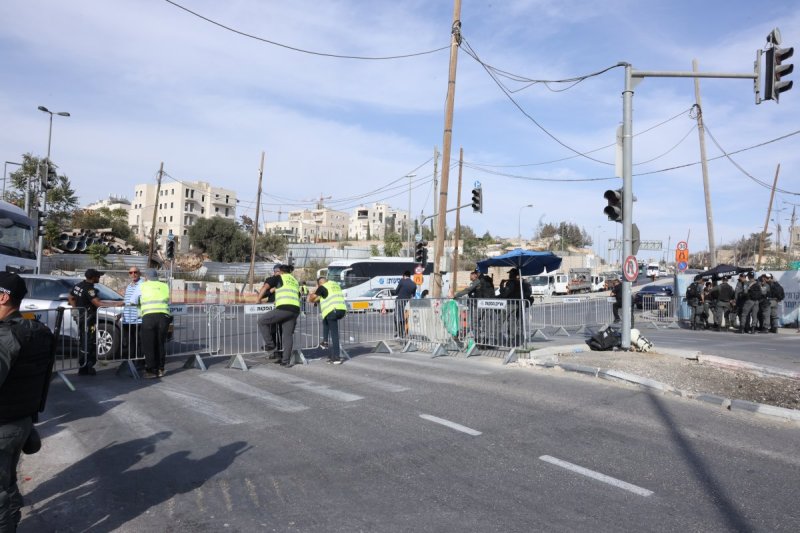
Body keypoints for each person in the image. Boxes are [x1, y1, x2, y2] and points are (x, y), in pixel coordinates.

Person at [0, 272, 56, 531]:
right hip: (20, 421)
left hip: (4, 423)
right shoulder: (36, 331)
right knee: (7, 483)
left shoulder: (5, 337)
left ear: (3, 297)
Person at [68, 268, 112, 375]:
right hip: (88, 319)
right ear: (93, 278)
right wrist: (117, 304)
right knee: (89, 341)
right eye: (98, 276)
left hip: (82, 318)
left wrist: (75, 311)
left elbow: (71, 297)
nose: (99, 278)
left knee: (84, 340)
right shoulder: (89, 289)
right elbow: (98, 304)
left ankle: (83, 366)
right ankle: (86, 366)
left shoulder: (78, 285)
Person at [257, 264, 301, 368]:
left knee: (262, 321)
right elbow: (298, 294)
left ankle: (271, 345)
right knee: (288, 335)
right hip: (295, 310)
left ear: (281, 271)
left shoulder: (279, 277)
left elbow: (265, 287)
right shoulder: (294, 281)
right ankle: (286, 361)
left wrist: (258, 300)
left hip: (284, 308)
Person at [131, 269, 172, 378]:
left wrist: (140, 305)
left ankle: (151, 371)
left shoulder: (142, 286)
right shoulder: (165, 286)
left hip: (149, 317)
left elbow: (133, 300)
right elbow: (168, 301)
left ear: (146, 277)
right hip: (163, 317)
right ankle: (161, 369)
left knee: (149, 344)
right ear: (156, 277)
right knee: (160, 343)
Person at [308, 276, 347, 364]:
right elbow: (325, 297)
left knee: (334, 335)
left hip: (333, 311)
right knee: (325, 320)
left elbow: (311, 299)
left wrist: (314, 291)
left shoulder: (323, 287)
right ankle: (325, 342)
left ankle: (337, 357)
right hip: (341, 310)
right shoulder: (334, 285)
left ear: (319, 283)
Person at [121, 266, 144, 361]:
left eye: (135, 272)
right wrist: (121, 314)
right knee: (130, 342)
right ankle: (132, 362)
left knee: (139, 342)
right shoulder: (129, 286)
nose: (133, 274)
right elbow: (126, 301)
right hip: (127, 319)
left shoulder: (142, 284)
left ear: (139, 273)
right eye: (131, 272)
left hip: (138, 319)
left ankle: (140, 362)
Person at [261, 265, 283, 358]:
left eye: (279, 271)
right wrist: (271, 290)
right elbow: (263, 294)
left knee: (282, 331)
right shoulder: (270, 280)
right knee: (272, 330)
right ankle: (273, 351)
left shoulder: (285, 280)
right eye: (276, 271)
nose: (277, 273)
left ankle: (281, 351)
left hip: (282, 307)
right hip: (271, 308)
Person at [394, 271, 416, 338]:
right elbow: (413, 295)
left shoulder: (402, 281)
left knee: (397, 317)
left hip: (399, 301)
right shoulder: (414, 284)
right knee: (405, 317)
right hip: (407, 302)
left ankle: (399, 333)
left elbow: (396, 291)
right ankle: (404, 332)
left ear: (404, 276)